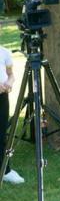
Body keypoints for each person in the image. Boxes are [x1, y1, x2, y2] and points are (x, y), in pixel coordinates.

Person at [1, 45, 24, 184]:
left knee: (2, 133)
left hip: (2, 97)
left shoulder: (4, 52)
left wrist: (9, 83)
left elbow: (11, 74)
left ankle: (5, 170)